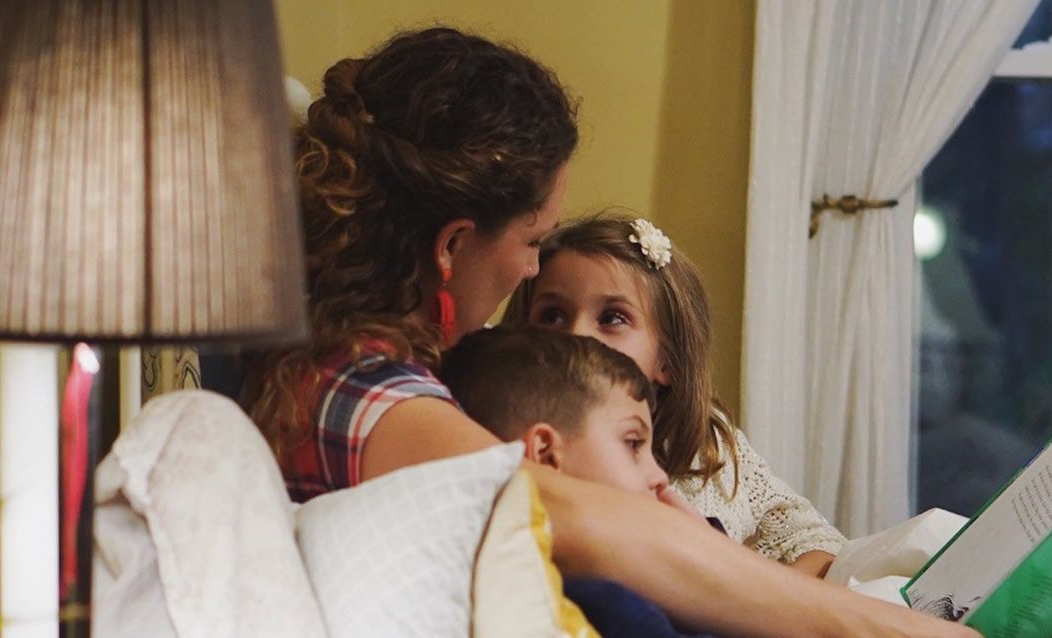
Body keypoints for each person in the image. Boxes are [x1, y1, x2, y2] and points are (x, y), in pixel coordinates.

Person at [241, 25, 979, 638]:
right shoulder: (360, 388)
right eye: (534, 239)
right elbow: (590, 525)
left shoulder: (355, 360)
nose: (531, 270)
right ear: (451, 244)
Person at [502, 213, 844, 578]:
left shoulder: (708, 443)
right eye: (552, 316)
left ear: (667, 361)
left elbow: (816, 540)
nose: (576, 335)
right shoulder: (509, 442)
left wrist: (755, 590)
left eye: (612, 318)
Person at [440, 325, 723, 638]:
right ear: (546, 455)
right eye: (633, 443)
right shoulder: (604, 597)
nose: (659, 477)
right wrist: (708, 565)